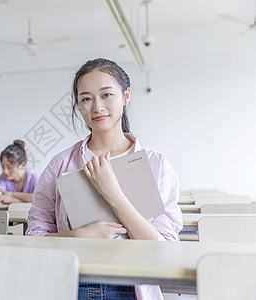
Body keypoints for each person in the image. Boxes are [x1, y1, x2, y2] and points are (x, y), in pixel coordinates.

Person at [26, 58, 182, 300]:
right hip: (72, 283)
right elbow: (34, 236)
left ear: (126, 96)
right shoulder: (60, 164)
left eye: (106, 95)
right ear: (78, 106)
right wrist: (77, 236)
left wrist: (113, 193)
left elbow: (165, 248)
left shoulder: (156, 165)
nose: (97, 107)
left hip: (133, 287)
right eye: (86, 99)